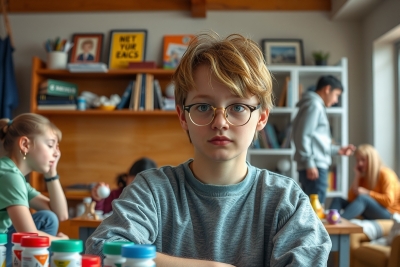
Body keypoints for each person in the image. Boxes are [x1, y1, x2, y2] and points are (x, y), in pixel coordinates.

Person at [86, 31, 331, 266]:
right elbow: (103, 248)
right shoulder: (152, 190)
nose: (220, 122)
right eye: (203, 107)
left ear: (262, 118)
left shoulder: (286, 200)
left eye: (237, 107)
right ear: (183, 116)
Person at [0, 113, 69, 267]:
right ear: (25, 144)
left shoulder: (13, 174)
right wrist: (62, 242)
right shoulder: (9, 176)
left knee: (48, 217)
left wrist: (51, 173)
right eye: (50, 145)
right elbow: (28, 235)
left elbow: (61, 214)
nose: (57, 153)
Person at [292, 75, 356, 205]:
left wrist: (339, 150)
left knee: (311, 207)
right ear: (327, 89)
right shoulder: (314, 105)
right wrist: (310, 163)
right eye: (336, 95)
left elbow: (316, 142)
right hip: (314, 166)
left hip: (314, 164)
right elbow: (303, 135)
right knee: (315, 208)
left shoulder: (314, 105)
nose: (336, 100)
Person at [329, 144, 400, 220]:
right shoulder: (364, 176)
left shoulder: (386, 174)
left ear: (372, 160)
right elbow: (351, 199)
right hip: (371, 210)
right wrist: (357, 176)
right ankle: (329, 222)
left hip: (389, 213)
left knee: (363, 198)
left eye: (363, 160)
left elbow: (388, 201)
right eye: (358, 160)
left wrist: (368, 193)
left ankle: (340, 223)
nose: (359, 163)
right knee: (338, 199)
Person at [90, 157, 157, 214]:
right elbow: (99, 215)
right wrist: (98, 200)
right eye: (133, 182)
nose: (135, 188)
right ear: (127, 177)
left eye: (141, 185)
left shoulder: (153, 202)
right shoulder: (115, 196)